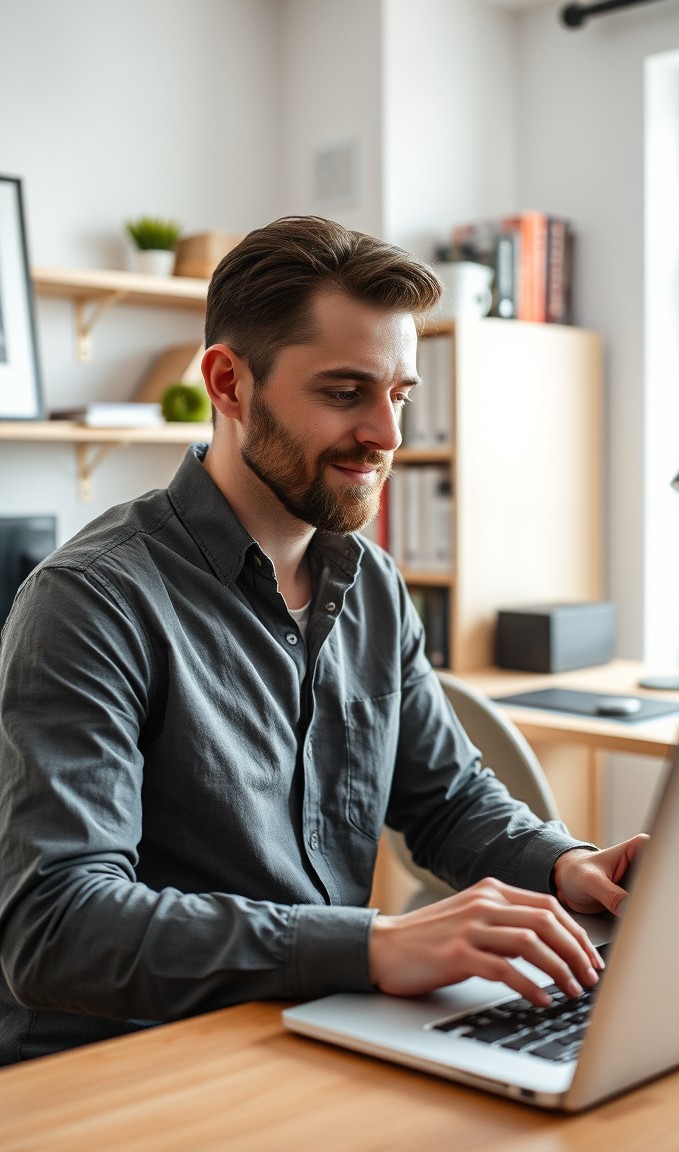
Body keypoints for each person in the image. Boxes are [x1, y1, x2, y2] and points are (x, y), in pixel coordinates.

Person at [0, 216, 646, 1063]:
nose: (387, 435)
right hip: (126, 1068)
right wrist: (373, 945)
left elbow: (446, 799)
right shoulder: (90, 601)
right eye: (345, 393)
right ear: (229, 383)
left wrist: (565, 866)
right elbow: (58, 925)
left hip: (308, 1033)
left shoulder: (371, 584)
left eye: (401, 395)